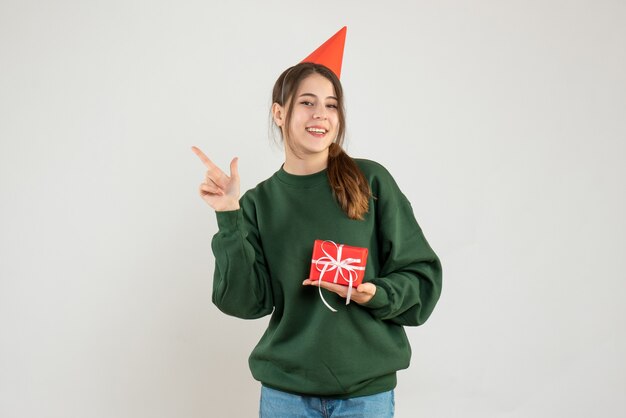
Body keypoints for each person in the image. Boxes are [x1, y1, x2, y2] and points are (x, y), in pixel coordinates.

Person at [192, 27, 442, 418]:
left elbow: (422, 280)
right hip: (286, 395)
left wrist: (373, 292)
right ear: (280, 112)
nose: (320, 115)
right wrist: (229, 214)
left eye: (331, 105)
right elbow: (245, 302)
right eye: (307, 102)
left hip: (366, 395)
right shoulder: (258, 203)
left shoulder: (370, 181)